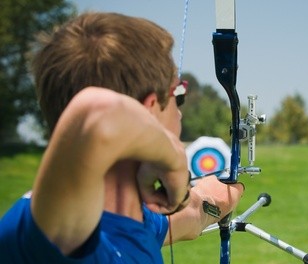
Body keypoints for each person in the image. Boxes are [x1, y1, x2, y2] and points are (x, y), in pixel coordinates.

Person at [0, 12, 244, 263]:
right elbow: (96, 112)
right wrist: (172, 158)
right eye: (178, 93)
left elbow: (195, 210)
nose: (180, 111)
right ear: (150, 108)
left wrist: (227, 191)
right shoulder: (50, 230)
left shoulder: (135, 218)